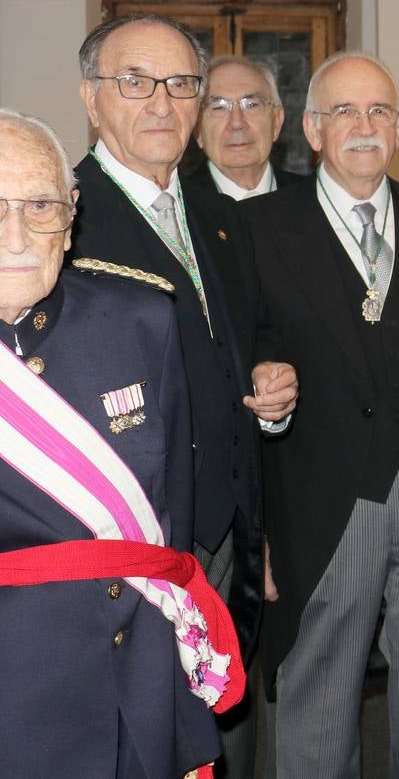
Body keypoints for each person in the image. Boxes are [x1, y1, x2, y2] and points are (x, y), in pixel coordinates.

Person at [70, 13, 298, 778]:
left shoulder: (219, 217)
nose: (162, 103)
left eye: (180, 84)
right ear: (93, 99)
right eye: (136, 82)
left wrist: (273, 382)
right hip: (123, 552)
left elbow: (245, 340)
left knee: (227, 736)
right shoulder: (60, 218)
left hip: (224, 535)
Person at [242, 51, 399, 778]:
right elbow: (245, 359)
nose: (364, 125)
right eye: (344, 111)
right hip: (322, 499)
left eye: (379, 111)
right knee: (317, 697)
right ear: (312, 130)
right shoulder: (256, 228)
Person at [0, 109, 237, 777]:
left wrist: (183, 714)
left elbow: (171, 531)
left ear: (71, 215)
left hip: (136, 687)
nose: (16, 234)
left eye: (40, 204)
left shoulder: (140, 320)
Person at [188, 54, 309, 199]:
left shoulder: (314, 199)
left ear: (276, 121)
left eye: (251, 105)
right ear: (198, 130)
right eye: (219, 107)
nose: (237, 123)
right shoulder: (179, 208)